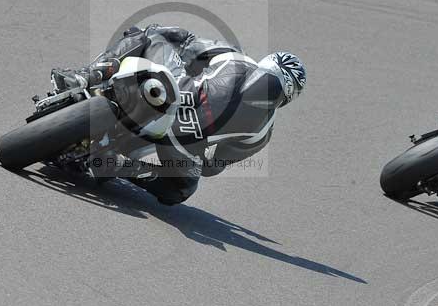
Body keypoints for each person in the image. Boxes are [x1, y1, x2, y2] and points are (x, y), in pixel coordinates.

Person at [51, 24, 306, 205]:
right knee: (150, 34)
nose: (266, 93)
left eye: (274, 93)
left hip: (174, 124)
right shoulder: (236, 68)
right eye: (269, 85)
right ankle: (87, 79)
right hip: (170, 103)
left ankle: (119, 161)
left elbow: (214, 166)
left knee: (180, 191)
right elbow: (187, 43)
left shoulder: (257, 126)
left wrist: (199, 156)